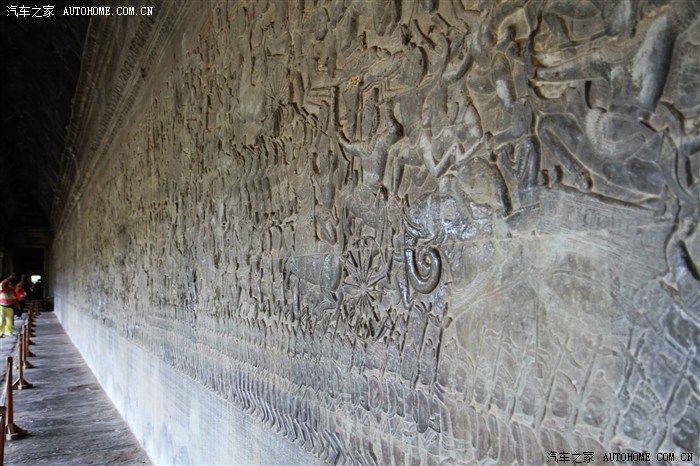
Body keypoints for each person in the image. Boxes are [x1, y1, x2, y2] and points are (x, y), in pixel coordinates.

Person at [0, 273, 19, 337]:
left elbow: (15, 298)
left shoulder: (11, 291)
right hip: (1, 307)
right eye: (8, 283)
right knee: (2, 320)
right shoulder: (1, 289)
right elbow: (3, 283)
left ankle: (8, 332)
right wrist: (10, 278)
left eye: (10, 284)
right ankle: (0, 333)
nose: (10, 284)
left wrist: (18, 306)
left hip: (10, 307)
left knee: (9, 321)